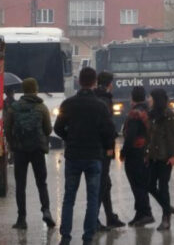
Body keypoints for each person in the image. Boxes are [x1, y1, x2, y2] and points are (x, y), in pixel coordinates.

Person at [54, 67, 116, 245]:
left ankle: (65, 237)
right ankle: (88, 238)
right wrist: (103, 146)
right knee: (92, 199)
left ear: (79, 81)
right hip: (94, 157)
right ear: (94, 82)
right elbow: (109, 131)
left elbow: (58, 128)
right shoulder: (100, 106)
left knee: (69, 198)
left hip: (73, 155)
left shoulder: (68, 104)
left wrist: (69, 138)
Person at [3, 78, 55, 229]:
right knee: (41, 183)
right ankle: (46, 211)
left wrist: (13, 144)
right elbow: (48, 130)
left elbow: (7, 128)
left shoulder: (14, 107)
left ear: (23, 90)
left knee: (20, 185)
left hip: (20, 151)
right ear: (35, 89)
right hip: (38, 150)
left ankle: (21, 219)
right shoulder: (41, 107)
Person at [93, 71, 125, 230]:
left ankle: (109, 216)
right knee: (102, 183)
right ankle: (95, 219)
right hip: (102, 148)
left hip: (95, 146)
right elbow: (106, 126)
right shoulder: (105, 100)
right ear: (109, 84)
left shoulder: (95, 96)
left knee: (105, 183)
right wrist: (109, 148)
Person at [120, 86, 154, 227]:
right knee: (141, 183)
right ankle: (140, 214)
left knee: (137, 184)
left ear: (132, 98)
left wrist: (123, 151)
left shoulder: (135, 114)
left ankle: (146, 213)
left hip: (135, 152)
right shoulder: (148, 111)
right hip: (145, 150)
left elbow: (131, 136)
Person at [147, 88, 174, 231]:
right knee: (149, 185)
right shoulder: (151, 115)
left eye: (151, 97)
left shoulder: (169, 116)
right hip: (153, 156)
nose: (149, 100)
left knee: (163, 186)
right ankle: (167, 207)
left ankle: (166, 218)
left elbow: (173, 137)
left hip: (165, 157)